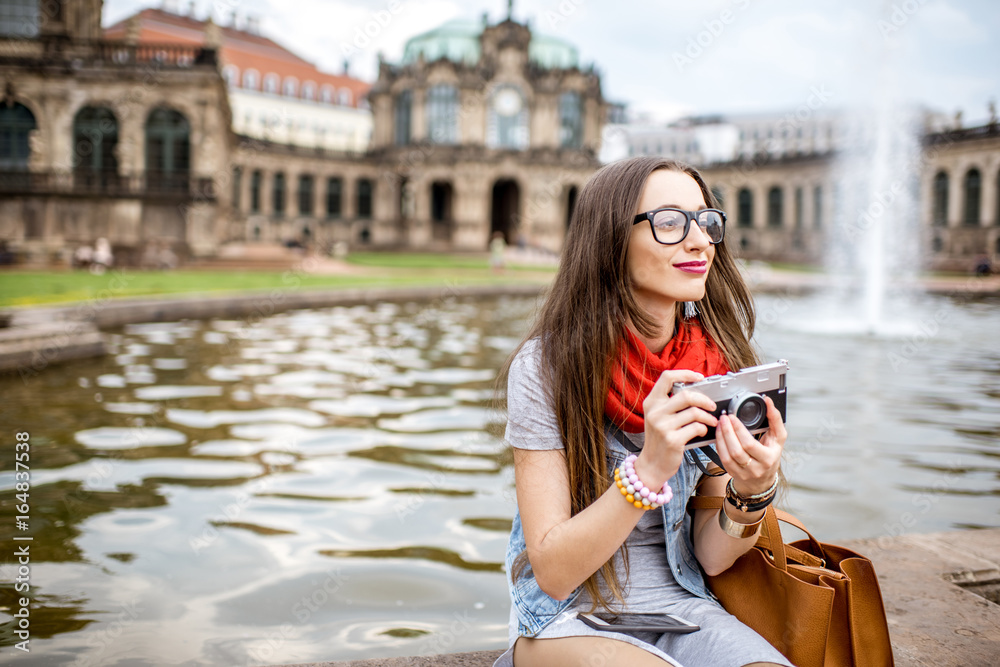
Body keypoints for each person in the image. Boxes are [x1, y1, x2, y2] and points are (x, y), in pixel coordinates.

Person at [493, 157, 790, 667]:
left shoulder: (718, 366)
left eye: (706, 221)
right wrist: (649, 469)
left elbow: (713, 557)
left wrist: (752, 488)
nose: (699, 241)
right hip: (571, 619)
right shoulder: (545, 367)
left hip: (684, 608)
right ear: (611, 241)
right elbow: (555, 571)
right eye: (671, 222)